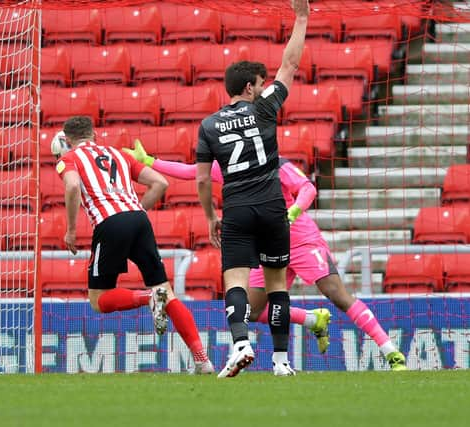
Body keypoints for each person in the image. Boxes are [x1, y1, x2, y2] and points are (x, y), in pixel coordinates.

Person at [124, 140, 407, 371]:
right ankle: (312, 320)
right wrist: (150, 162)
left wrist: (293, 212)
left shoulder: (278, 164)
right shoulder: (231, 169)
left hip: (301, 240)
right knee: (252, 310)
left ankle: (390, 351)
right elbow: (191, 172)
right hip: (266, 246)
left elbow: (307, 188)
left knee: (337, 294)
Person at [190, 0, 311, 378]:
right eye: (260, 84)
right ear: (249, 86)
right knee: (277, 287)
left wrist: (211, 217)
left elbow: (199, 178)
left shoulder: (208, 126)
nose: (264, 88)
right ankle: (280, 362)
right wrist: (302, 17)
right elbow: (289, 65)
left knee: (235, 281)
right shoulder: (263, 110)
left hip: (238, 210)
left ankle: (241, 343)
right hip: (273, 207)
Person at [53, 116, 214, 374]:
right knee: (168, 292)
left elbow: (72, 186)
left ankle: (149, 298)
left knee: (99, 299)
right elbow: (160, 183)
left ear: (68, 140)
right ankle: (202, 360)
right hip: (139, 219)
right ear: (94, 134)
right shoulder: (118, 154)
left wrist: (71, 230)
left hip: (109, 223)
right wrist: (136, 211)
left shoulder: (69, 158)